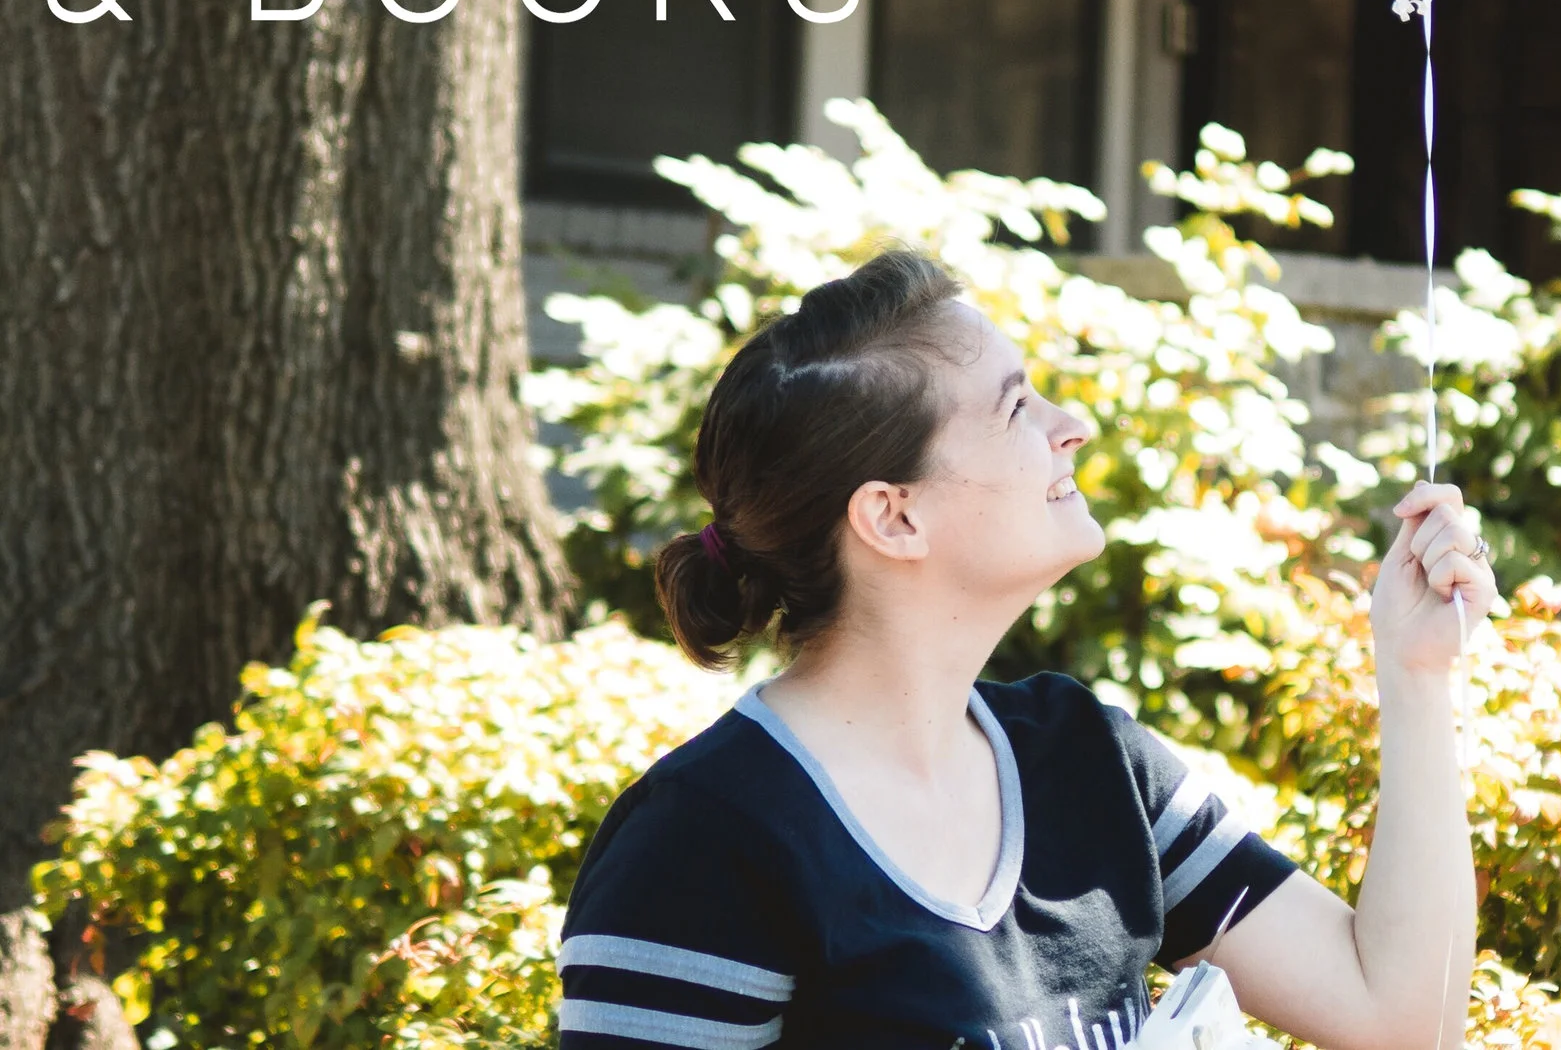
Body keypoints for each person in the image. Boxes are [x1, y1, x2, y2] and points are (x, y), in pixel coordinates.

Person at [556, 247, 1497, 1050]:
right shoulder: (702, 840)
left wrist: (1415, 674)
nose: (1070, 428)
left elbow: (1402, 1016)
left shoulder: (1088, 763)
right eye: (1016, 409)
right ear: (894, 515)